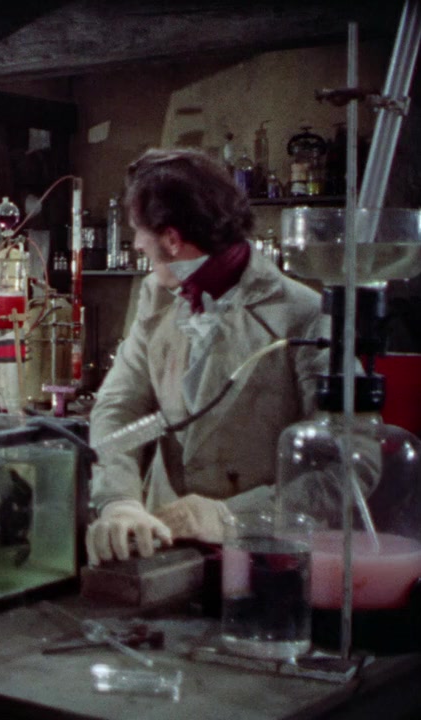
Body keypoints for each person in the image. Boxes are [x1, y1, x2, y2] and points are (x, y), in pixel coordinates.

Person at [86, 148, 330, 565]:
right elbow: (120, 407)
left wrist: (229, 517)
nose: (138, 244)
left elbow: (348, 467)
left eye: (140, 233)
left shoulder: (305, 313)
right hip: (163, 550)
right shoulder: (158, 295)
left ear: (172, 239)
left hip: (263, 558)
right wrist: (120, 500)